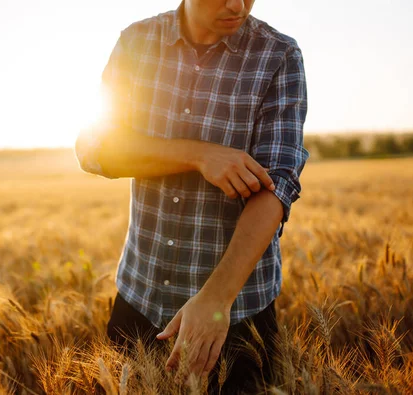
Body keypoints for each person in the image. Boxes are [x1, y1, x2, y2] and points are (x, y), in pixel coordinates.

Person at [75, 0, 309, 393]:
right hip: (139, 301)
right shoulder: (137, 42)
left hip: (238, 315)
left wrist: (216, 300)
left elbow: (278, 186)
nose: (238, 5)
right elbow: (95, 149)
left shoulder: (278, 55)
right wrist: (199, 155)